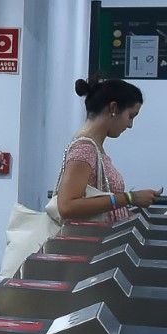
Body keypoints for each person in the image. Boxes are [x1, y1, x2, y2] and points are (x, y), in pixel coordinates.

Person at [53, 78, 160, 225]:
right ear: (114, 108)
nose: (130, 125)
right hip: (87, 245)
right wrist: (129, 198)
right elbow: (67, 206)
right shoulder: (85, 150)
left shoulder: (94, 149)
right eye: (130, 116)